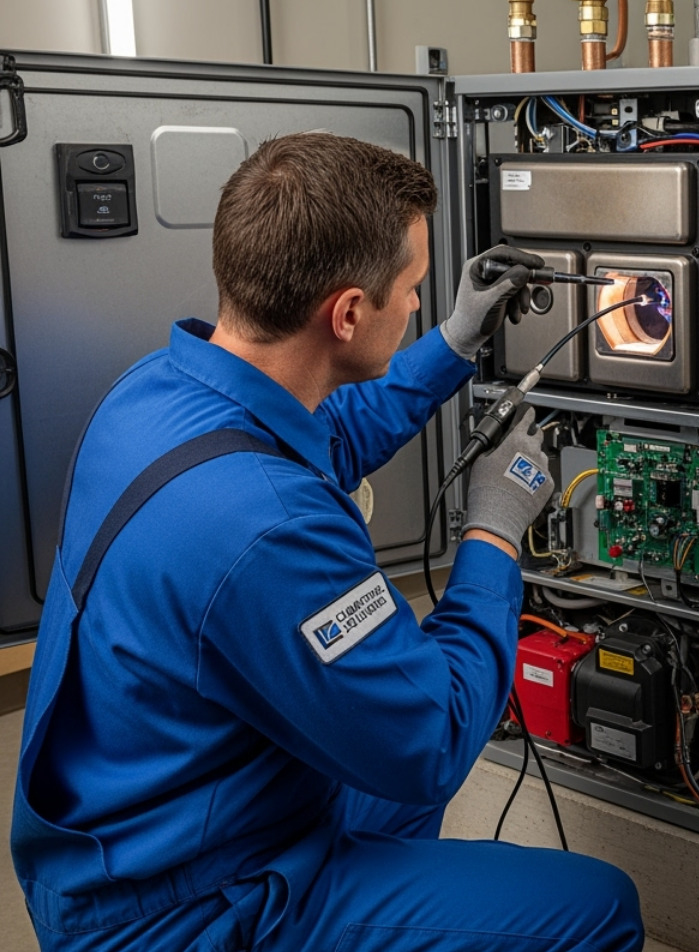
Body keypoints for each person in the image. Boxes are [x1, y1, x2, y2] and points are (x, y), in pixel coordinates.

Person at [10, 132, 645, 952]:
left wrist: (454, 339)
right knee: (598, 906)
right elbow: (435, 735)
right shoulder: (268, 529)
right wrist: (493, 529)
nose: (415, 304)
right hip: (181, 908)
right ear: (346, 313)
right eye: (412, 291)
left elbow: (321, 436)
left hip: (146, 823)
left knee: (390, 773)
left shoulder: (155, 390)